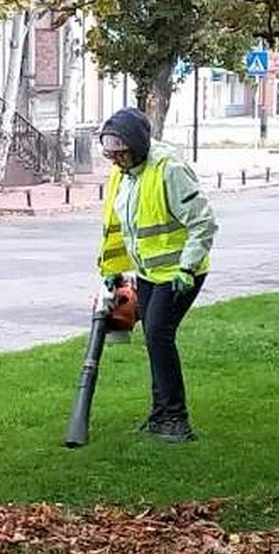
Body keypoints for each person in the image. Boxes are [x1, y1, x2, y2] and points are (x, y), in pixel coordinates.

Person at [95, 107, 217, 443]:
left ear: (136, 146)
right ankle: (160, 414)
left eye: (120, 154)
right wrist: (113, 273)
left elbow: (203, 223)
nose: (116, 161)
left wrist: (188, 267)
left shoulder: (169, 169)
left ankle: (176, 419)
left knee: (158, 336)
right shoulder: (124, 175)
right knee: (153, 337)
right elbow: (118, 229)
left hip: (180, 273)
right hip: (149, 273)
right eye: (111, 155)